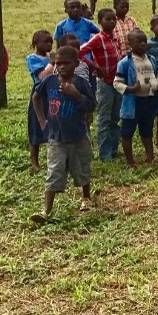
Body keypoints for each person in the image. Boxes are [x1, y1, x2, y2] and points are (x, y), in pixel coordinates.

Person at [30, 46, 97, 224]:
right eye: (58, 63)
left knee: (82, 167)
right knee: (54, 171)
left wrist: (75, 95)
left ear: (76, 64)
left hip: (78, 135)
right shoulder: (50, 81)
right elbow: (36, 97)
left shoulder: (81, 83)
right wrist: (42, 120)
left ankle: (86, 198)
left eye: (66, 63)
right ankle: (46, 210)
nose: (61, 67)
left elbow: (91, 105)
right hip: (56, 137)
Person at [115, 28, 158, 167]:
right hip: (132, 103)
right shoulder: (125, 62)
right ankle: (130, 161)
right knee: (127, 132)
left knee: (147, 129)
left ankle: (150, 157)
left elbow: (156, 74)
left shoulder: (151, 59)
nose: (143, 44)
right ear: (130, 43)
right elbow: (117, 82)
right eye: (139, 41)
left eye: (144, 41)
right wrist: (130, 89)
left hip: (148, 100)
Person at [80, 9, 122, 161]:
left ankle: (114, 149)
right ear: (100, 21)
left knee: (115, 117)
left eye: (113, 19)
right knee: (104, 118)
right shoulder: (98, 39)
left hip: (117, 82)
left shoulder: (115, 39)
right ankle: (105, 154)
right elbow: (80, 52)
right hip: (104, 83)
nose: (111, 22)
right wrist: (93, 66)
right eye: (107, 19)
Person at [25, 30, 56, 172]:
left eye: (51, 41)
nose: (49, 44)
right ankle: (34, 162)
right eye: (46, 42)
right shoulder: (32, 59)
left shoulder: (52, 57)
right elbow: (42, 76)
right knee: (35, 127)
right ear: (36, 43)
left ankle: (54, 159)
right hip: (39, 96)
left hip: (53, 95)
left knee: (54, 126)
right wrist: (52, 62)